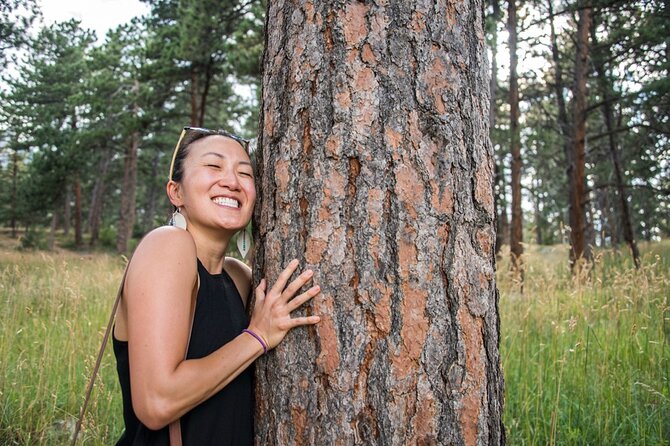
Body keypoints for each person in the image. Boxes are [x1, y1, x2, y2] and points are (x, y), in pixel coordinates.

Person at [112, 126, 321, 445]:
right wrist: (258, 337)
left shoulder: (238, 276)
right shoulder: (167, 245)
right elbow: (157, 402)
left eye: (245, 173)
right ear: (176, 192)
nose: (232, 181)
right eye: (213, 166)